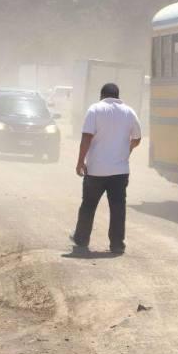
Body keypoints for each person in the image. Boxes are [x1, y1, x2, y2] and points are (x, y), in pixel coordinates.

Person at [71, 83, 142, 254]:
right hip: (120, 171)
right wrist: (128, 150)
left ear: (102, 95)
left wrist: (80, 161)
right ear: (117, 96)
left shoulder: (95, 109)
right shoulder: (129, 112)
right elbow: (138, 138)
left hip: (96, 170)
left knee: (88, 205)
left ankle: (81, 239)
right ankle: (117, 245)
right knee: (118, 208)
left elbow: (86, 137)